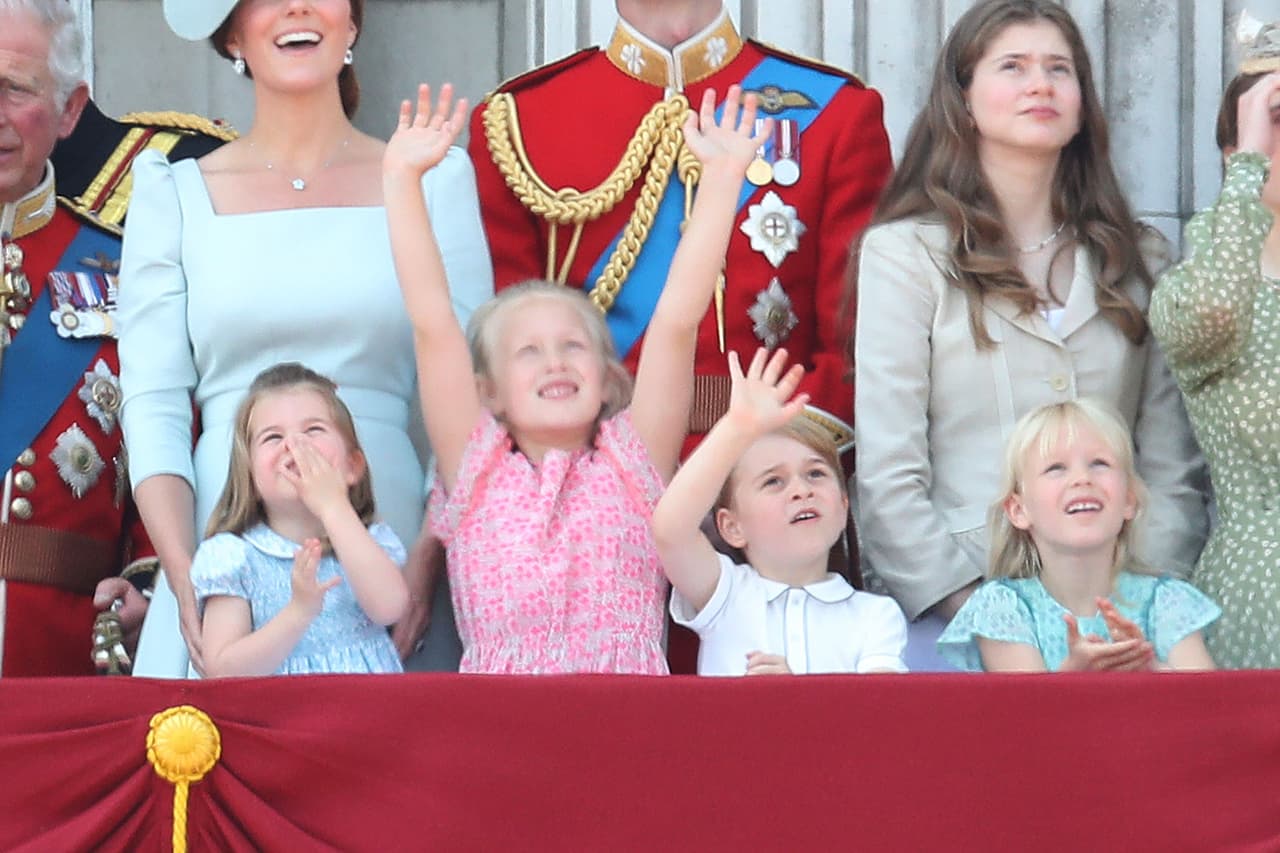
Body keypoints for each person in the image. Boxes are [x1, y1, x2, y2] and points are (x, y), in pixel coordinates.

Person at [469, 0, 892, 673]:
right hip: (595, 508)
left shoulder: (831, 110)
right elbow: (502, 339)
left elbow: (855, 346)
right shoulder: (522, 121)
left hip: (772, 496)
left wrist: (767, 468)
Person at [119, 0, 492, 677]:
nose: (295, 5)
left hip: (395, 539)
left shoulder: (434, 179)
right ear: (232, 31)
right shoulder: (170, 193)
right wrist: (183, 573)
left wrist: (429, 557)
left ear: (352, 23)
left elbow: (468, 387)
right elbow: (153, 402)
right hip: (224, 546)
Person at [853, 0, 1208, 671]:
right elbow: (888, 471)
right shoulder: (905, 255)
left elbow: (1171, 466)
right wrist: (988, 613)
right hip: (955, 619)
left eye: (1059, 69)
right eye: (1012, 66)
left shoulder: (1139, 260)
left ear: (1082, 105)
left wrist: (1142, 603)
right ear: (963, 100)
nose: (1039, 84)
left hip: (1123, 627)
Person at [385, 82, 765, 673]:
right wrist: (403, 181)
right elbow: (432, 323)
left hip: (626, 734)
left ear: (608, 376)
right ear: (488, 391)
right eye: (528, 352)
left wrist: (721, 180)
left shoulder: (634, 458)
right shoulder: (474, 462)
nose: (555, 362)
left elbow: (676, 321)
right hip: (502, 736)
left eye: (572, 346)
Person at [0, 0, 166, 676]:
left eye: (14, 88)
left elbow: (167, 435)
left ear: (70, 110)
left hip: (65, 656)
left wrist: (148, 578)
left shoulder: (127, 269)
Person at [1149, 19, 1280, 669]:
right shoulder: (1196, 288)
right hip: (1262, 597)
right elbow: (1211, 312)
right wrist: (1254, 156)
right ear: (1232, 156)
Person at [653, 347, 907, 676]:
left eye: (816, 473)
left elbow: (876, 716)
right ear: (732, 527)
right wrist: (736, 428)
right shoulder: (726, 594)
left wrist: (792, 696)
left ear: (844, 505)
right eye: (773, 481)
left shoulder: (876, 615)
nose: (802, 490)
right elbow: (670, 531)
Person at [937, 399, 1218, 672]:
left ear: (1129, 500)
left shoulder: (1168, 602)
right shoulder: (1001, 609)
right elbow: (1024, 715)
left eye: (1099, 463)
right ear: (1018, 510)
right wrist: (1073, 679)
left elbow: (1207, 709)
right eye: (1056, 468)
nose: (1082, 478)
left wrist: (1150, 671)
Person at [193, 363, 408, 676]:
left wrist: (333, 506)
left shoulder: (367, 541)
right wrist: (298, 613)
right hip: (283, 719)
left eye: (313, 430)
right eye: (273, 437)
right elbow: (222, 670)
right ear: (250, 477)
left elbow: (390, 607)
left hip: (368, 716)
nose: (294, 445)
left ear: (352, 466)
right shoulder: (233, 556)